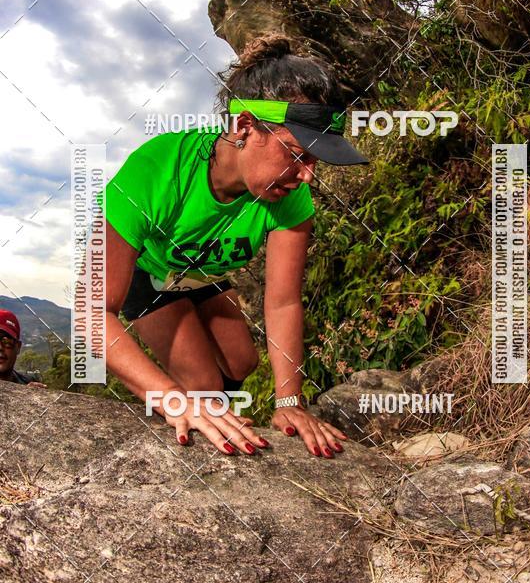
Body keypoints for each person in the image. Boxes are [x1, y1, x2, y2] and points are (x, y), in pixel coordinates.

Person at [101, 33, 368, 458]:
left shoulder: (290, 194)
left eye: (315, 161)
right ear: (244, 126)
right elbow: (92, 314)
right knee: (203, 389)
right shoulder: (154, 172)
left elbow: (282, 303)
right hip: (150, 276)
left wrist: (289, 402)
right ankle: (200, 412)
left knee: (243, 361)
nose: (308, 177)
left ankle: (215, 406)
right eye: (297, 154)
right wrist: (174, 400)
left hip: (203, 273)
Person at [0, 310, 47, 387]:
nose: (0, 347)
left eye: (7, 342)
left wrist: (38, 397)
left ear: (18, 347)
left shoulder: (28, 383)